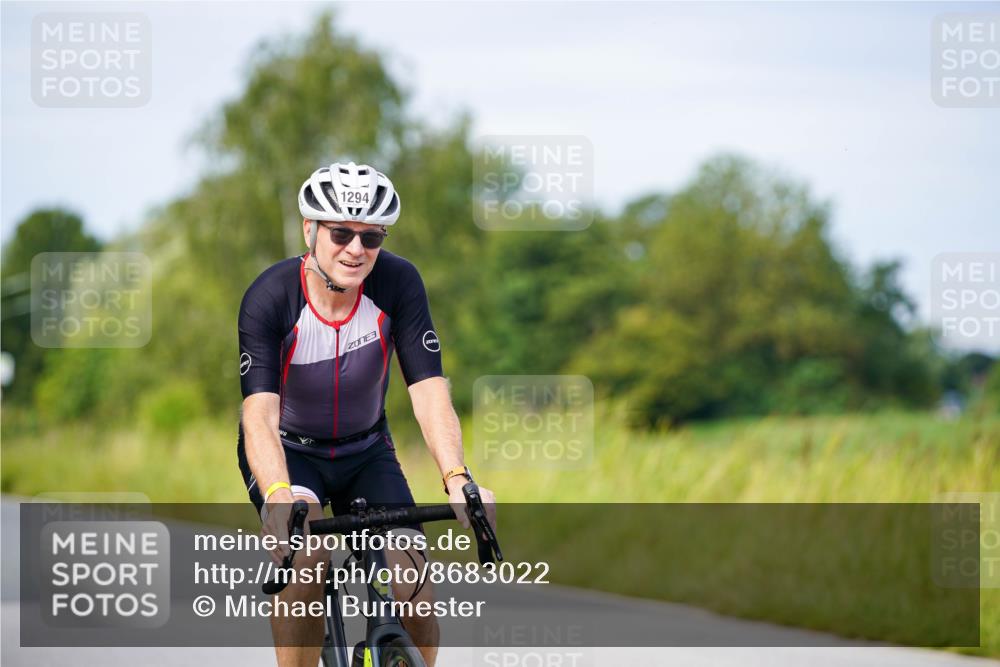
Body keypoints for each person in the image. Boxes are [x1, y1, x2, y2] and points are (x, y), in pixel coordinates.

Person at [236, 161, 495, 667]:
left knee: (415, 586)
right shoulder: (270, 297)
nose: (356, 249)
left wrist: (458, 479)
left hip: (366, 451)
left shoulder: (398, 282)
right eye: (341, 233)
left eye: (371, 237)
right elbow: (259, 417)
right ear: (310, 229)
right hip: (291, 456)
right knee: (307, 562)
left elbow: (429, 391)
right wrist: (278, 495)